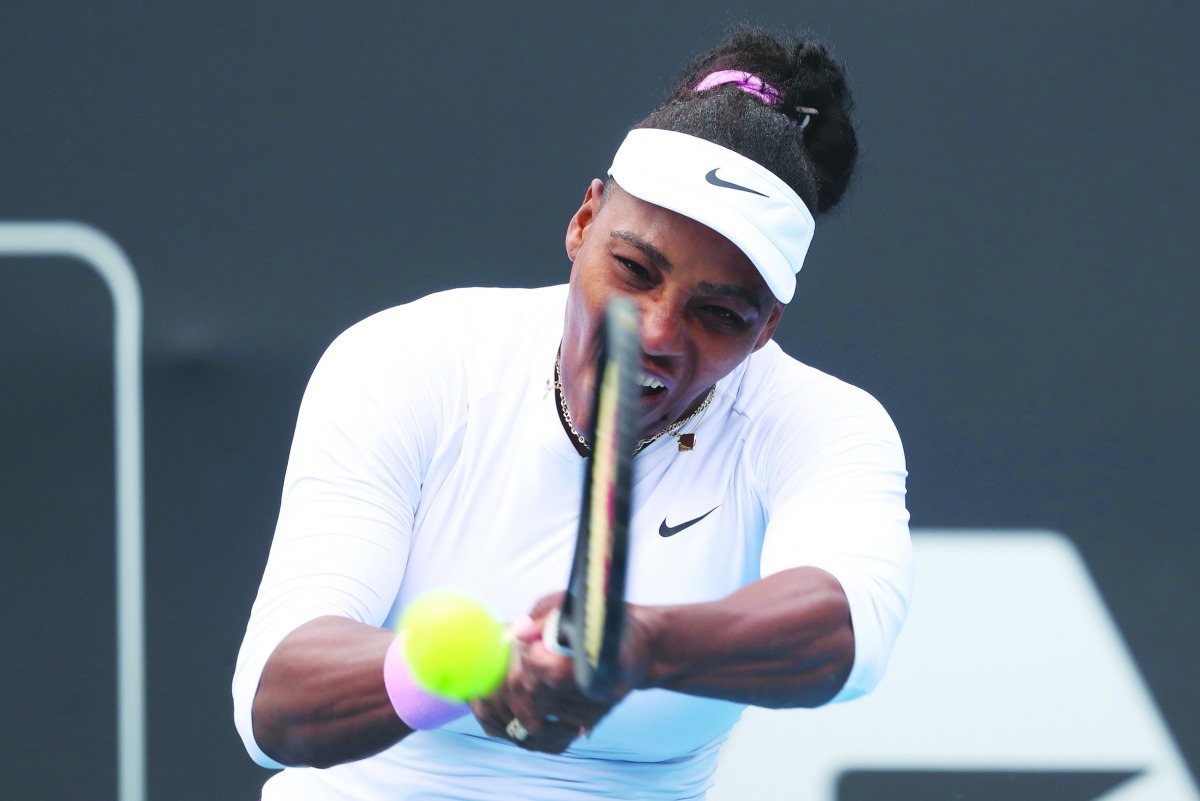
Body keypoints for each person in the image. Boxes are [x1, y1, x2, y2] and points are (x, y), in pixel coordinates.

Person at [233, 26, 913, 800]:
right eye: (633, 269)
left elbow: (843, 634)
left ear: (766, 330)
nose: (655, 331)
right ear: (584, 223)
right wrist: (463, 668)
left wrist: (640, 644)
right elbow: (275, 700)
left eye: (719, 314)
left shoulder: (824, 427)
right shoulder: (412, 360)